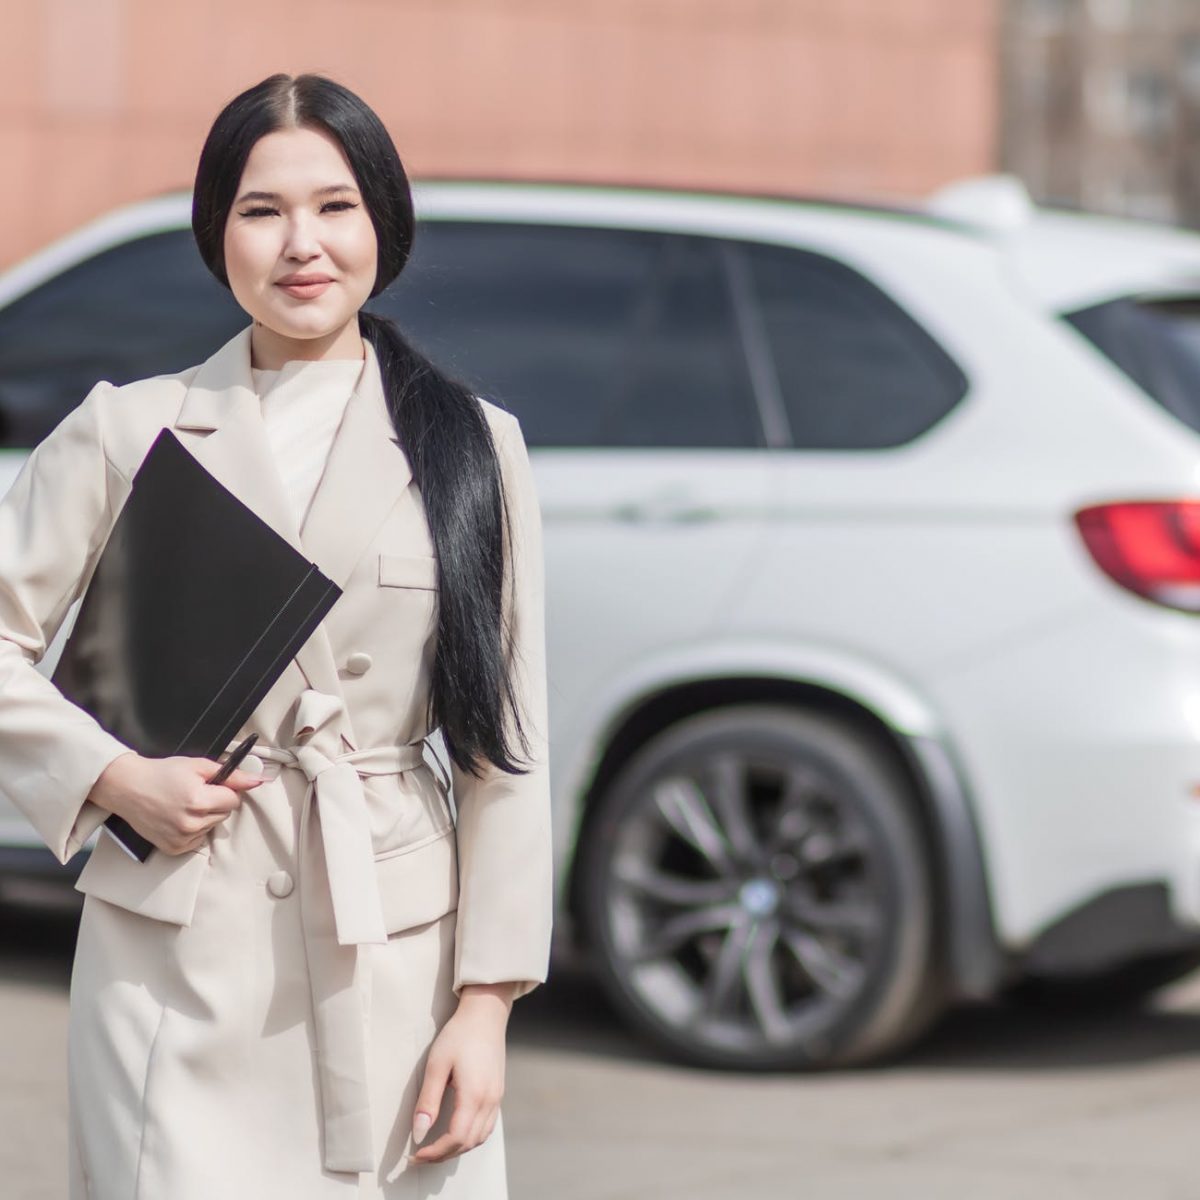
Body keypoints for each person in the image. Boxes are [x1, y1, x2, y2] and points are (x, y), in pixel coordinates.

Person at [0, 72, 553, 1199]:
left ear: (382, 224)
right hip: (173, 963)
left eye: (335, 205)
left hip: (398, 959)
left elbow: (508, 753)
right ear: (219, 236)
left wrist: (485, 1009)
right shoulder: (129, 429)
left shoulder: (470, 446)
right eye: (262, 211)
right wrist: (111, 776)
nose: (302, 244)